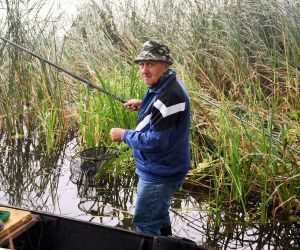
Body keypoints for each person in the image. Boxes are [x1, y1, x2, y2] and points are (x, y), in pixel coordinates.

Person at [110, 40, 190, 236]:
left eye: (150, 64)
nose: (144, 70)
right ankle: (166, 242)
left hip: (160, 173)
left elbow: (156, 141)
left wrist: (124, 135)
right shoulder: (163, 85)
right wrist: (143, 104)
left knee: (145, 224)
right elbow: (160, 110)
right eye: (141, 64)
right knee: (159, 216)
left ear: (165, 65)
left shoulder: (170, 96)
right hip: (162, 168)